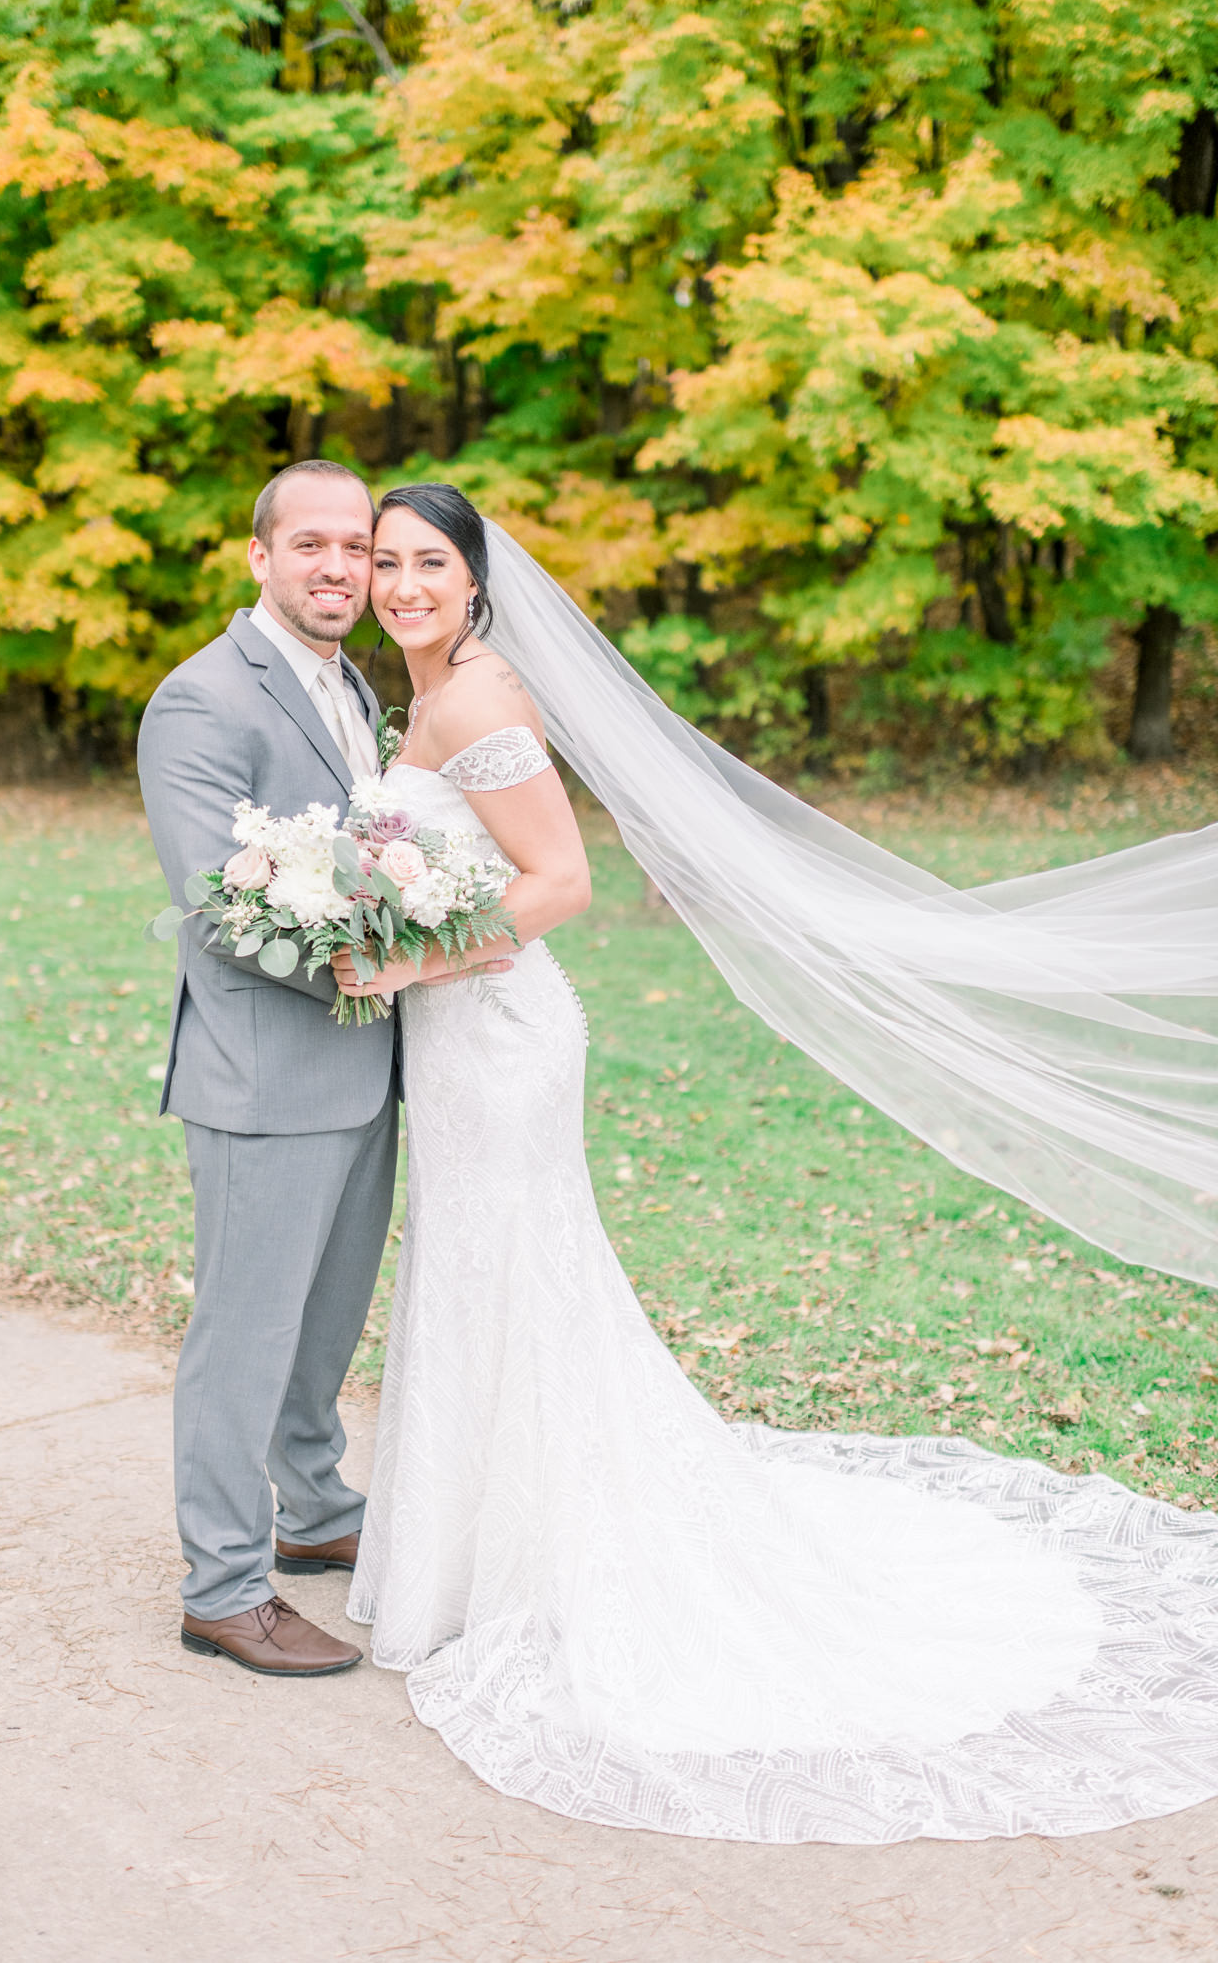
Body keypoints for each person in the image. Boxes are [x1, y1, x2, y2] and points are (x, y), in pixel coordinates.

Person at [333, 480, 1218, 1846]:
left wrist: (397, 962)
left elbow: (558, 885)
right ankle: (473, 1559)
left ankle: (511, 1566)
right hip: (456, 1040)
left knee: (508, 1281)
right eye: (387, 561)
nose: (401, 584)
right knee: (479, 1283)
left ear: (477, 578)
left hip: (497, 1038)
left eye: (427, 563)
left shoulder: (479, 701)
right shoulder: (432, 693)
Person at [137, 460, 405, 1678]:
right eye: (311, 545)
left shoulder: (354, 685)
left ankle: (312, 1511)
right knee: (243, 1337)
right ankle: (223, 1587)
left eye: (354, 546)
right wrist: (365, 969)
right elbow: (219, 901)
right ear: (259, 557)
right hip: (263, 1071)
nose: (338, 566)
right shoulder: (201, 702)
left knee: (325, 1323)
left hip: (365, 1066)